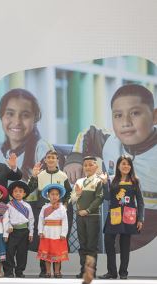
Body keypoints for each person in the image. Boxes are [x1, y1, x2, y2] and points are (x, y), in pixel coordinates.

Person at [64, 84, 157, 250]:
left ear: (155, 116)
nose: (126, 122)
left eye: (135, 113)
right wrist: (75, 158)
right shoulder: (110, 142)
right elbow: (89, 133)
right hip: (120, 223)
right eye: (118, 115)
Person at [28, 149, 72, 277]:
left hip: (58, 213)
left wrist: (65, 204)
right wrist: (34, 176)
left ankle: (57, 271)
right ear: (45, 160)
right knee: (44, 242)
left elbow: (69, 193)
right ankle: (44, 271)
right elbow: (29, 189)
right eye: (48, 157)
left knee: (57, 243)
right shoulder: (40, 175)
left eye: (53, 157)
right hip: (43, 211)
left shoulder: (63, 175)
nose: (51, 159)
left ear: (57, 160)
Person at [99, 155, 144, 280]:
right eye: (123, 164)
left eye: (128, 164)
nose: (126, 166)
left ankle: (123, 272)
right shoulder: (112, 179)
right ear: (118, 166)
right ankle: (111, 272)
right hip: (114, 215)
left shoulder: (135, 180)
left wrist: (140, 219)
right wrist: (104, 183)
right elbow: (107, 197)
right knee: (108, 242)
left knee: (125, 245)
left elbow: (140, 202)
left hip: (129, 216)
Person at [0, 88, 53, 181]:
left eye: (25, 115)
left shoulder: (42, 150)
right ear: (1, 116)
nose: (17, 122)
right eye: (10, 114)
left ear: (34, 119)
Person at [69, 156, 104, 278]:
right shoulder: (79, 182)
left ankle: (91, 271)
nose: (88, 167)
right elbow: (72, 199)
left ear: (96, 166)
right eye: (85, 165)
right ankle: (83, 270)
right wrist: (77, 195)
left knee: (91, 245)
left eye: (90, 164)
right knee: (83, 244)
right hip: (80, 217)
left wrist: (88, 210)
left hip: (92, 216)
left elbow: (99, 198)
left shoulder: (98, 181)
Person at [37, 184, 69, 278]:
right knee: (47, 254)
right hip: (47, 233)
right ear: (48, 195)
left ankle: (57, 271)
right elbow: (41, 220)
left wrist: (63, 233)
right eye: (52, 194)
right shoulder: (44, 208)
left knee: (57, 254)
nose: (54, 196)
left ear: (59, 196)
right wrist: (40, 231)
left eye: (56, 194)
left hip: (58, 233)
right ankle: (48, 271)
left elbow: (65, 221)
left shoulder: (62, 208)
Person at [3, 181, 34, 278]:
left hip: (24, 231)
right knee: (9, 252)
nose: (17, 193)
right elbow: (6, 218)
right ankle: (8, 271)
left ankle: (19, 271)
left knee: (22, 253)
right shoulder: (9, 205)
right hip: (12, 231)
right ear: (12, 193)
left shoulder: (27, 206)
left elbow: (31, 220)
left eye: (20, 191)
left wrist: (31, 233)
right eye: (15, 191)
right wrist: (8, 228)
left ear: (24, 194)